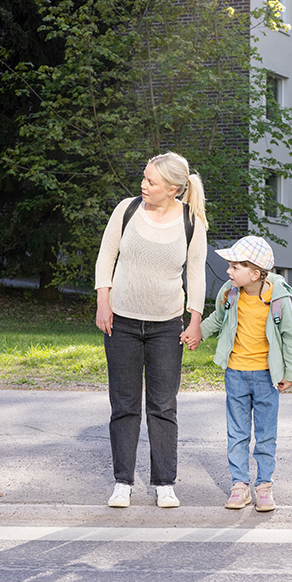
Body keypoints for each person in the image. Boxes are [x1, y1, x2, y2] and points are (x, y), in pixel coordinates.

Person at [94, 151, 208, 509]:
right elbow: (105, 257)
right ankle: (122, 482)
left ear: (173, 188)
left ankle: (164, 483)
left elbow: (197, 273)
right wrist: (103, 301)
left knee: (163, 405)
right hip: (122, 322)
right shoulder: (126, 210)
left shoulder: (192, 222)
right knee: (124, 404)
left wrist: (195, 320)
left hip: (167, 326)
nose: (143, 185)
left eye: (151, 182)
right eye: (143, 178)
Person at [194, 236, 292, 512]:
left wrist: (291, 371)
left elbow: (290, 337)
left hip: (268, 376)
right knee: (238, 433)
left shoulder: (278, 299)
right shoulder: (229, 293)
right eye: (230, 266)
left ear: (255, 273)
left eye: (235, 266)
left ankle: (264, 486)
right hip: (236, 374)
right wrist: (197, 333)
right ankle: (240, 486)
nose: (229, 271)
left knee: (266, 434)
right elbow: (217, 319)